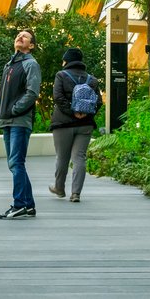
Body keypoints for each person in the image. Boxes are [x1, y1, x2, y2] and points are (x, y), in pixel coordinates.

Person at [0, 29, 42, 219]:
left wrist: (14, 110)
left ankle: (20, 204)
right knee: (15, 163)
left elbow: (32, 93)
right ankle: (28, 205)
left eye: (25, 37)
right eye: (18, 35)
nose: (20, 37)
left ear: (31, 46)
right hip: (7, 120)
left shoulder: (30, 64)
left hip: (19, 121)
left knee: (16, 162)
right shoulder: (10, 65)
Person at [49, 47, 102, 202]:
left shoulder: (61, 75)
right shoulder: (91, 79)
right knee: (79, 157)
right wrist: (85, 113)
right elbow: (98, 101)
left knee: (62, 157)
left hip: (63, 123)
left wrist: (73, 112)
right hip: (85, 124)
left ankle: (59, 188)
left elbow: (58, 97)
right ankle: (76, 193)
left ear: (67, 60)